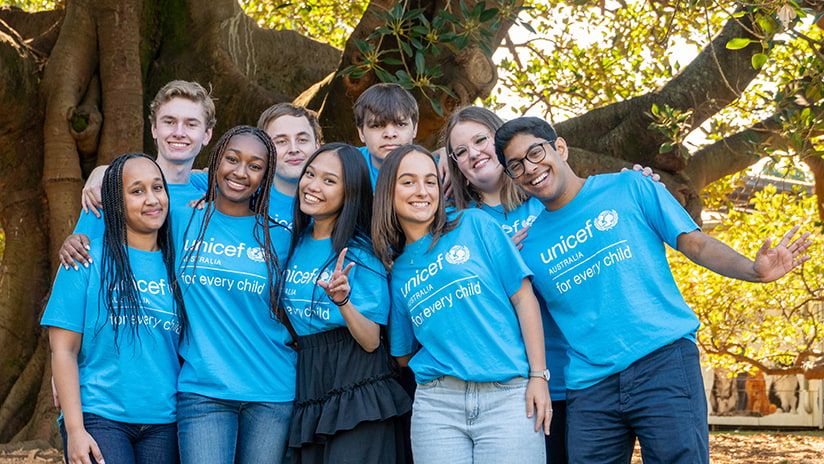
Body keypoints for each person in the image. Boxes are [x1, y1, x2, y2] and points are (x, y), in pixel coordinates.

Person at [494, 116, 813, 464]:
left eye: (535, 153)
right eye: (516, 165)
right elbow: (513, 314)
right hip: (589, 385)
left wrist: (753, 270)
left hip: (664, 364)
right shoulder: (526, 243)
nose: (530, 168)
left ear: (560, 147)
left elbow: (696, 244)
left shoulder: (631, 186)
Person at [372, 144, 551, 463]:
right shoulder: (397, 272)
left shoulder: (474, 225)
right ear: (388, 191)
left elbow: (524, 298)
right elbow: (402, 353)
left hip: (508, 394)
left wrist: (538, 376)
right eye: (408, 181)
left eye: (430, 181)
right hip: (437, 406)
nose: (422, 191)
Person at [443, 106, 569, 463]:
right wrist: (492, 266)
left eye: (481, 140)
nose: (474, 154)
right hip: (512, 386)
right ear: (457, 168)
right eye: (461, 152)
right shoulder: (454, 225)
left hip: (579, 373)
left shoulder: (549, 199)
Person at [42, 153, 185, 464]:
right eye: (137, 191)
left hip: (165, 421)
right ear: (115, 203)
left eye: (158, 188)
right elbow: (63, 349)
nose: (152, 199)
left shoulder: (179, 267)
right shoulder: (83, 259)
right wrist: (75, 429)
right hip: (99, 416)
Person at [279, 143, 411, 463]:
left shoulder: (361, 253)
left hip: (357, 382)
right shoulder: (295, 239)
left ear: (349, 192)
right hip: (310, 380)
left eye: (329, 180)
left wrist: (344, 301)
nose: (313, 185)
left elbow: (369, 341)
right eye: (310, 174)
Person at [173, 125, 295, 464]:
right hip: (203, 390)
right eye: (232, 159)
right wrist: (79, 237)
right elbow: (126, 222)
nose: (240, 172)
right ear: (216, 162)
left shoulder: (281, 237)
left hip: (272, 391)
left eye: (255, 166)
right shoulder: (182, 220)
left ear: (265, 175)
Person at [60, 80, 216, 269]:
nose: (179, 133)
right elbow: (75, 265)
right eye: (169, 122)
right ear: (154, 129)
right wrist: (102, 173)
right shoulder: (110, 190)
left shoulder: (212, 195)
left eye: (191, 124)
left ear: (207, 135)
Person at [354, 83, 419, 188]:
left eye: (400, 124)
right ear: (361, 132)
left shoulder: (438, 170)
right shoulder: (346, 163)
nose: (390, 134)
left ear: (415, 129)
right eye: (376, 126)